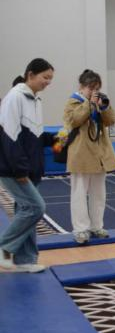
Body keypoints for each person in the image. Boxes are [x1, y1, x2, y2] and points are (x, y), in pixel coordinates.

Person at [0, 58, 55, 273]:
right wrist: (20, 169)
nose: (48, 82)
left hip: (30, 168)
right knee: (35, 207)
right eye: (45, 77)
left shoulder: (35, 99)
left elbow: (33, 135)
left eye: (50, 78)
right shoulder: (15, 97)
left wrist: (53, 139)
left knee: (26, 211)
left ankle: (25, 259)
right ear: (30, 74)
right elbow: (9, 136)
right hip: (14, 168)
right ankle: (4, 247)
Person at [64, 69, 115, 244]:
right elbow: (74, 120)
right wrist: (89, 104)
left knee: (99, 193)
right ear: (81, 86)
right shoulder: (73, 102)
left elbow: (111, 121)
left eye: (97, 89)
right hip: (81, 154)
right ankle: (81, 230)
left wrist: (104, 107)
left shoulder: (98, 102)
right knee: (79, 193)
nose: (94, 92)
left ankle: (96, 226)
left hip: (99, 154)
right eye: (91, 88)